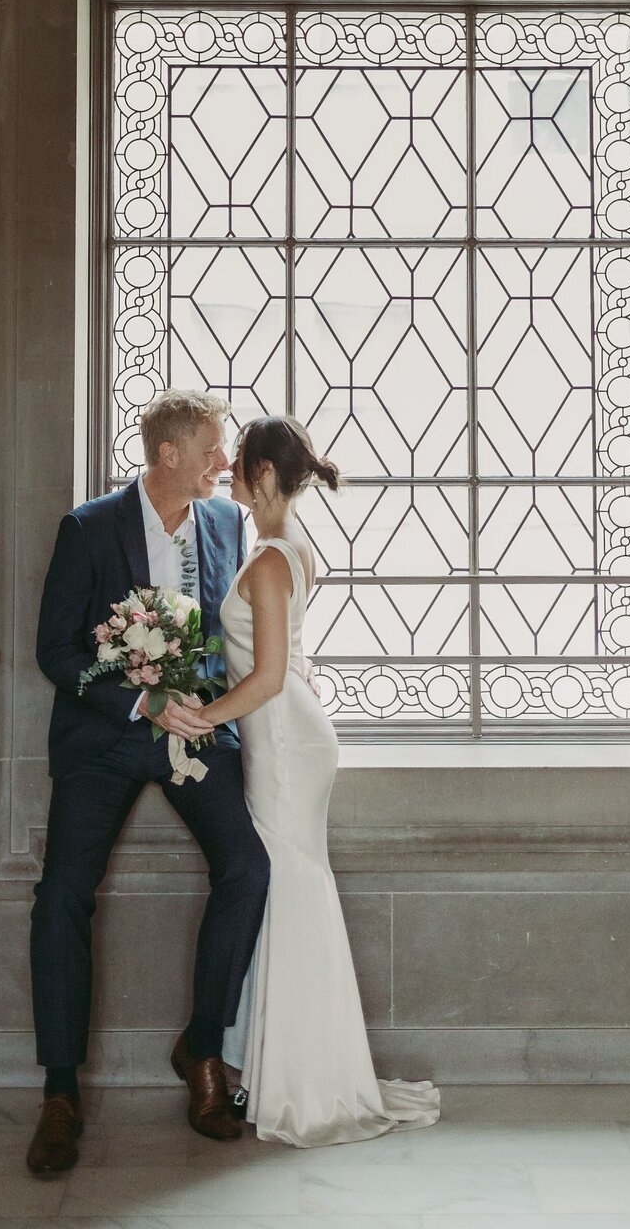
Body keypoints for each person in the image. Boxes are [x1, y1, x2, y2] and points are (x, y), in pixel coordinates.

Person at [25, 389, 269, 1176]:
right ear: (169, 454)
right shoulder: (89, 527)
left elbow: (238, 632)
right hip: (106, 739)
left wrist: (225, 710)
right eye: (211, 450)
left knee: (249, 867)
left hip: (197, 732)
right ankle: (60, 1093)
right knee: (62, 891)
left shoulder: (229, 523)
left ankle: (201, 1051)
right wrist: (139, 701)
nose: (222, 464)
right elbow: (57, 651)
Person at [194, 414, 441, 1147]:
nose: (231, 474)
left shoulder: (270, 560)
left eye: (240, 464)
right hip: (293, 733)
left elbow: (268, 676)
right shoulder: (295, 548)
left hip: (281, 739)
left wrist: (201, 717)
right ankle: (279, 1069)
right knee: (287, 889)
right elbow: (290, 661)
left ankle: (305, 1079)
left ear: (264, 475)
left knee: (291, 891)